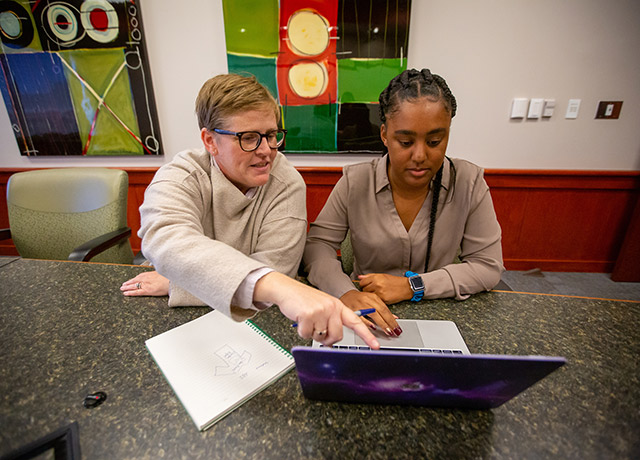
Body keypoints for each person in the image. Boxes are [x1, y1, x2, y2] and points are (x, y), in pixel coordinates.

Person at [120, 73, 378, 349]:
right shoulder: (182, 174)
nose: (266, 150)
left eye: (270, 135)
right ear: (209, 141)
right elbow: (164, 238)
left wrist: (177, 283)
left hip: (251, 323)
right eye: (249, 138)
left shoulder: (287, 183)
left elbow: (277, 269)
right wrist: (276, 286)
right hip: (176, 322)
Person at [303, 68, 504, 336]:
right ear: (385, 134)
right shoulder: (355, 181)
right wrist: (346, 293)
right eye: (406, 141)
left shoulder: (468, 182)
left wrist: (414, 286)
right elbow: (317, 246)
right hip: (366, 314)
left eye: (435, 141)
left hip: (441, 315)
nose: (420, 155)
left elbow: (488, 266)